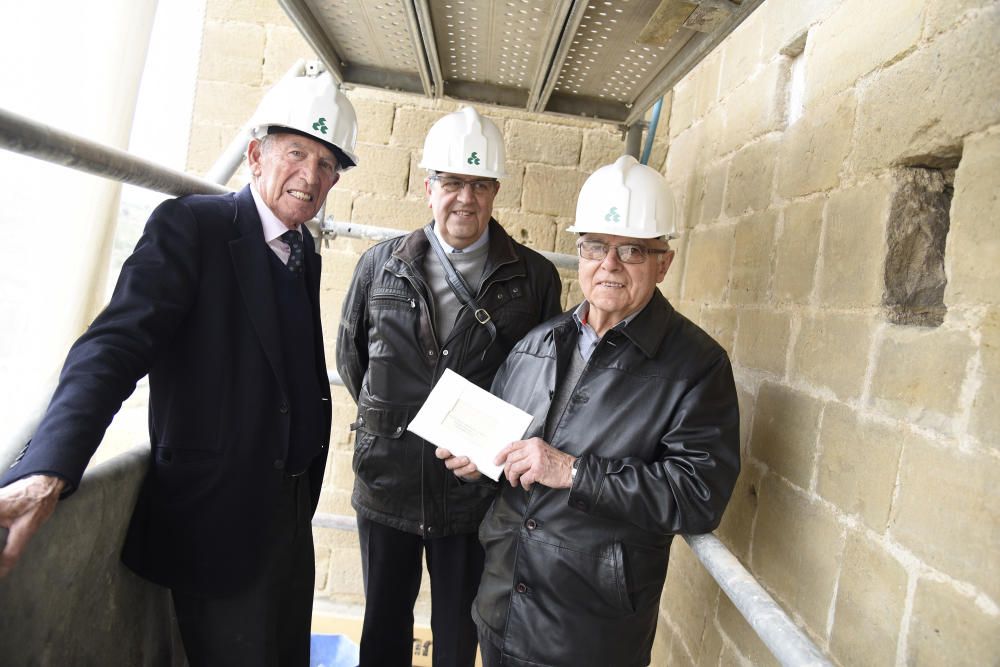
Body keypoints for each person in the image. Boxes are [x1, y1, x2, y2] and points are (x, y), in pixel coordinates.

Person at [0, 71, 359, 666]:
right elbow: (112, 347)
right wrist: (47, 469)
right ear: (254, 155)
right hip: (216, 528)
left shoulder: (303, 253)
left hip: (286, 530)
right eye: (297, 153)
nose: (311, 177)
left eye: (327, 165)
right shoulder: (193, 227)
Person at [438, 155, 741, 667]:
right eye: (596, 247)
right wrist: (481, 465)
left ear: (663, 262)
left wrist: (572, 471)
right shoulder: (537, 344)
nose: (610, 264)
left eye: (632, 251)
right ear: (579, 252)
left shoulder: (697, 365)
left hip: (590, 632)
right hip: (503, 606)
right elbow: (514, 459)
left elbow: (698, 494)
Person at [336, 106, 563, 666]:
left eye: (480, 184)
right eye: (453, 182)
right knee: (382, 626)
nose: (466, 198)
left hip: (474, 495)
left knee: (461, 633)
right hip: (387, 481)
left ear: (496, 190)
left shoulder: (533, 278)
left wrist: (491, 447)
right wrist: (394, 423)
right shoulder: (379, 266)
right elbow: (352, 361)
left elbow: (542, 385)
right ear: (428, 185)